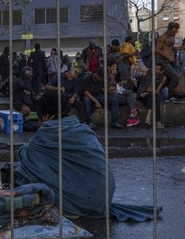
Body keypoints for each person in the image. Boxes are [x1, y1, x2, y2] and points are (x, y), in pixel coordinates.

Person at [12, 91, 157, 221]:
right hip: (103, 197)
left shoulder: (46, 133)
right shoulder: (83, 129)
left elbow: (26, 156)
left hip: (85, 201)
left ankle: (68, 207)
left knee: (24, 169)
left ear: (46, 116)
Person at [154, 21, 185, 97]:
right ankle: (170, 96)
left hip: (170, 61)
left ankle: (158, 92)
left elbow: (169, 48)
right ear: (169, 29)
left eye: (176, 31)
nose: (174, 33)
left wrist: (178, 48)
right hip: (162, 60)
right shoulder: (163, 37)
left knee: (168, 79)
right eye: (173, 31)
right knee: (175, 77)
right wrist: (168, 57)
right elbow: (157, 50)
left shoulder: (172, 37)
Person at [136, 61, 168, 129]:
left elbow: (157, 91)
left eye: (157, 69)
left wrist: (149, 93)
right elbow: (133, 67)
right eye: (155, 68)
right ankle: (157, 122)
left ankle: (148, 118)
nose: (155, 70)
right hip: (142, 94)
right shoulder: (149, 71)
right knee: (155, 98)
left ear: (161, 71)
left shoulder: (163, 78)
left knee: (154, 97)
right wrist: (132, 78)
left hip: (150, 95)